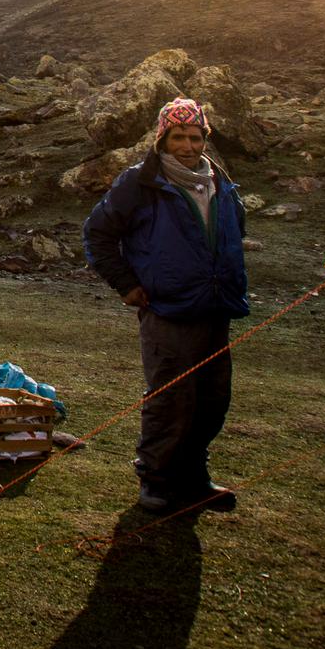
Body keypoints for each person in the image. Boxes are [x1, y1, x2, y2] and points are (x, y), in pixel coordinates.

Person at [82, 97, 250, 513]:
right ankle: (155, 481)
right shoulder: (139, 182)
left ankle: (195, 479)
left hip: (215, 307)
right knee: (170, 397)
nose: (188, 146)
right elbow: (97, 233)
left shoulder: (220, 182)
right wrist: (126, 283)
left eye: (195, 137)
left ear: (205, 139)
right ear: (162, 139)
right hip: (167, 309)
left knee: (212, 399)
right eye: (178, 137)